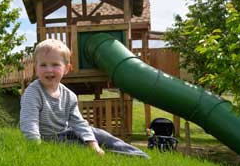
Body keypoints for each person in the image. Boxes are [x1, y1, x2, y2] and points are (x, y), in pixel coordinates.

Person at [20, 38, 148, 158]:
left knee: (100, 134)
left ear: (67, 69)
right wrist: (36, 148)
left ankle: (139, 156)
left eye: (55, 64)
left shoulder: (69, 95)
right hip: (49, 140)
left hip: (67, 133)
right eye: (43, 65)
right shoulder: (33, 92)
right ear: (35, 68)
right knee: (78, 148)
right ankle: (105, 155)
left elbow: (78, 122)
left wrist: (93, 143)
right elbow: (29, 123)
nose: (49, 70)